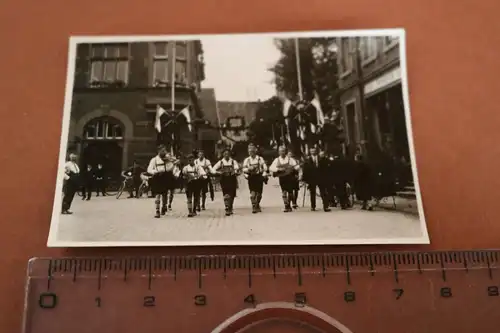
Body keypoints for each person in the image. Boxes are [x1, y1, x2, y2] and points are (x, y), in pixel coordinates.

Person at [147, 145, 180, 218]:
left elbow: (170, 168)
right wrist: (156, 171)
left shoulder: (168, 159)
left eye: (165, 151)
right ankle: (157, 210)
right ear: (158, 151)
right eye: (162, 151)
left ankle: (164, 206)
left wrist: (174, 164)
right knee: (158, 195)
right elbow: (149, 170)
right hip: (158, 177)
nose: (164, 152)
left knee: (165, 194)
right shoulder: (154, 160)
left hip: (166, 177)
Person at [269, 146, 301, 212]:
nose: (282, 152)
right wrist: (278, 169)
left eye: (283, 151)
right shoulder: (277, 160)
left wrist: (296, 169)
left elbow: (296, 166)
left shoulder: (290, 159)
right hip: (282, 178)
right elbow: (271, 168)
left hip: (290, 177)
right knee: (284, 192)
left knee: (290, 192)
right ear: (278, 152)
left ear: (285, 151)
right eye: (280, 151)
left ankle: (289, 204)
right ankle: (286, 206)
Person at [211, 149, 240, 216]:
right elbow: (213, 169)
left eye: (228, 153)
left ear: (230, 154)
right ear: (223, 154)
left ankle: (230, 206)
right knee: (226, 193)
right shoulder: (220, 162)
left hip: (232, 178)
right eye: (225, 153)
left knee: (232, 193)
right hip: (224, 179)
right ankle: (227, 207)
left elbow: (236, 168)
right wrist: (218, 172)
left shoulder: (233, 161)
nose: (226, 154)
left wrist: (235, 171)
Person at [302, 147, 331, 212]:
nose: (313, 152)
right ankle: (313, 206)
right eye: (311, 151)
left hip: (321, 178)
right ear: (310, 152)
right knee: (312, 193)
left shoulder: (321, 158)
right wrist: (305, 179)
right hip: (311, 179)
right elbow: (305, 170)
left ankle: (325, 207)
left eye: (314, 151)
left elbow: (326, 167)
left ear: (316, 151)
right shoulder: (307, 160)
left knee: (323, 192)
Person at [242, 143, 268, 213]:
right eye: (250, 151)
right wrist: (249, 169)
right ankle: (254, 206)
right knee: (253, 193)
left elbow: (265, 167)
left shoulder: (260, 159)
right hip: (251, 177)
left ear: (255, 151)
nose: (251, 152)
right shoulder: (247, 160)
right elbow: (243, 169)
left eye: (252, 151)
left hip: (259, 176)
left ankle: (257, 204)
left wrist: (264, 172)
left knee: (259, 193)